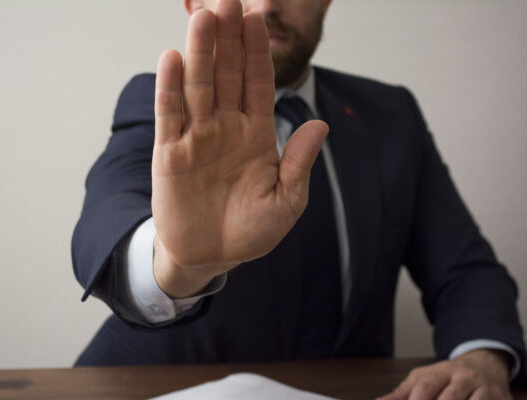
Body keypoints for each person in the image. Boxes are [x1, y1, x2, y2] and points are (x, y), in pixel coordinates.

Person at [71, 0, 525, 398]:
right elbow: (103, 223)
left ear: (325, 2)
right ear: (194, 5)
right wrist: (178, 264)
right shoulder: (161, 104)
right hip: (153, 386)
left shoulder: (392, 114)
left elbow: (464, 270)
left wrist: (483, 356)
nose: (268, 5)